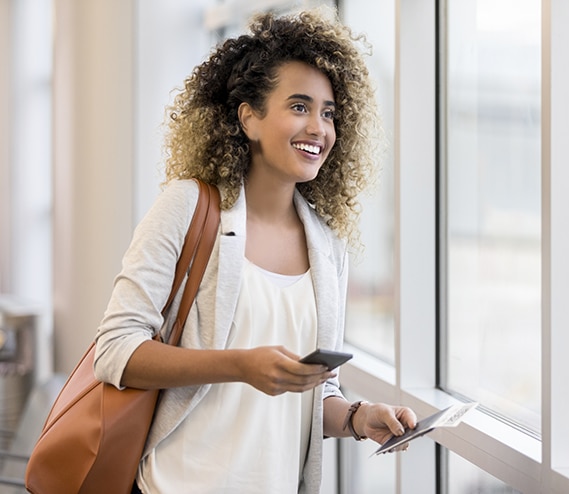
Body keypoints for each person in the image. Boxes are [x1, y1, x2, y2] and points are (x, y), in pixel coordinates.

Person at [93, 7, 417, 494]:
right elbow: (115, 350)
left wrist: (357, 417)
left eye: (328, 113)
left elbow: (308, 394)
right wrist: (239, 365)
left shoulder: (328, 248)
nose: (319, 128)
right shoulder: (188, 207)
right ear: (248, 118)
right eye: (300, 106)